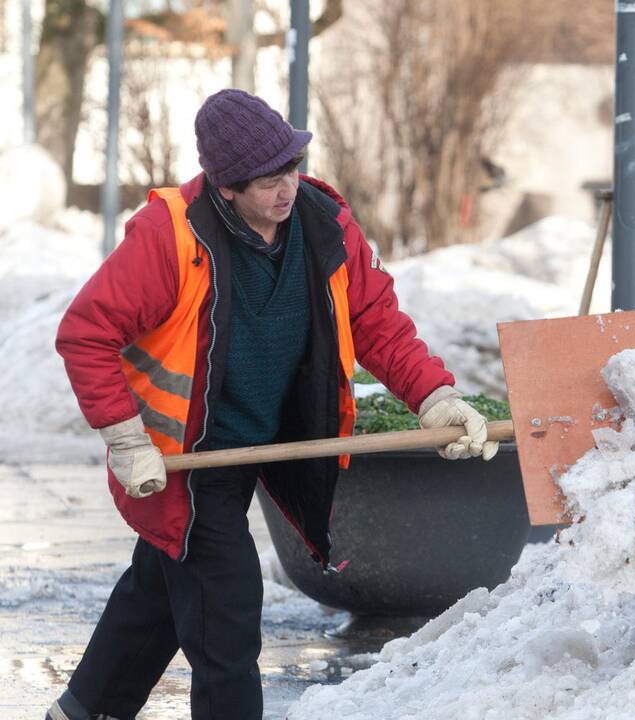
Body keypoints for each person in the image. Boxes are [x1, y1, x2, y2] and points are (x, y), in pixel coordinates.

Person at [49, 89, 498, 720]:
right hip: (184, 457)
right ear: (225, 187)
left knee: (164, 585)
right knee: (225, 613)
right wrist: (126, 439)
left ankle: (82, 710)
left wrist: (434, 396)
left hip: (265, 437)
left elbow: (377, 322)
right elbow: (85, 333)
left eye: (291, 168)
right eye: (267, 182)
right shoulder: (168, 237)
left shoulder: (325, 223)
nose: (286, 190)